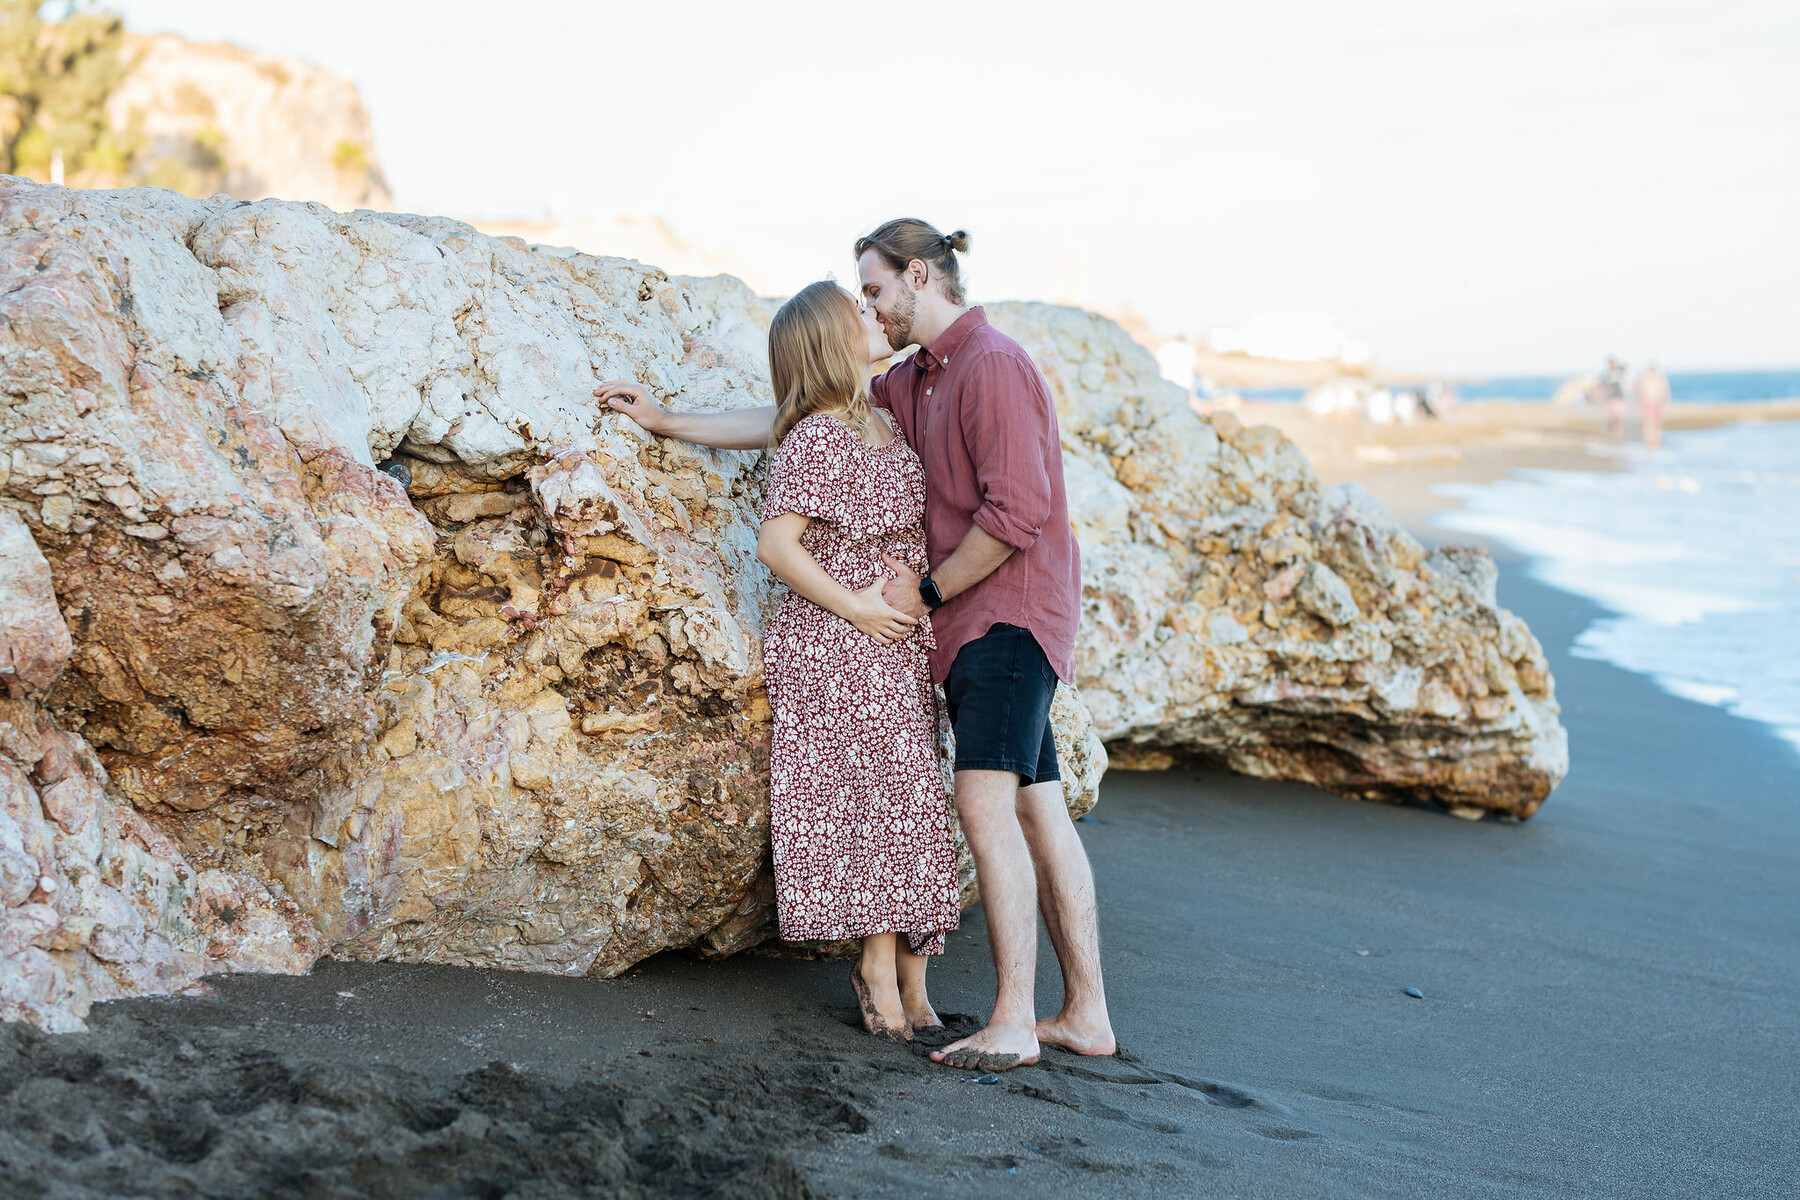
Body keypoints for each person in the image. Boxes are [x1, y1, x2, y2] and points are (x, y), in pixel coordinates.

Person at [597, 219, 1116, 1073]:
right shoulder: (913, 381)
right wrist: (667, 422)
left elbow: (1017, 512)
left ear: (919, 275)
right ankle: (1083, 1014)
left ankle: (1016, 1020)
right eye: (860, 301)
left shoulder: (992, 365)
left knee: (987, 808)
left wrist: (922, 591)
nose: (870, 306)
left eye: (874, 290)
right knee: (1036, 807)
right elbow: (797, 417)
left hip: (1002, 617)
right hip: (960, 627)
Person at [600, 282, 959, 1041]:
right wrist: (858, 607)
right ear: (831, 342)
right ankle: (875, 968)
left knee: (915, 798)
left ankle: (914, 977)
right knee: (876, 803)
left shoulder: (877, 417)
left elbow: (766, 421)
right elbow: (775, 544)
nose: (876, 316)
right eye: (859, 312)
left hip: (892, 642)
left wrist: (668, 418)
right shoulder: (819, 437)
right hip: (839, 639)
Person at [1636, 363, 1670, 450]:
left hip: (1656, 402)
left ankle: (1655, 440)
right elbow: (1640, 390)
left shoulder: (1659, 377)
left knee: (1655, 422)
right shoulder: (1646, 377)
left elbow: (1665, 391)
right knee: (1648, 421)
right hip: (1648, 401)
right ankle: (1649, 440)